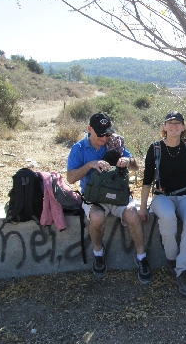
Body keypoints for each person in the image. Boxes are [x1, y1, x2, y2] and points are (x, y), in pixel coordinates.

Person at [67, 112, 151, 283]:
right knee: (96, 217)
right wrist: (90, 165)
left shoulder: (114, 142)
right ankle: (98, 253)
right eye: (101, 134)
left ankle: (141, 257)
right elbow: (70, 178)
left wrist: (128, 160)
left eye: (107, 133)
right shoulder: (79, 148)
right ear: (90, 129)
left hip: (118, 193)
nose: (104, 138)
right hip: (95, 197)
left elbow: (136, 167)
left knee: (132, 215)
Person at [139, 111, 186, 297]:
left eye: (178, 123)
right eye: (170, 123)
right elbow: (147, 180)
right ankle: (172, 259)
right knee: (167, 216)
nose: (174, 126)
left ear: (183, 127)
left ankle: (184, 271)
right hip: (162, 196)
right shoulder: (155, 148)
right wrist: (142, 208)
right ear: (164, 127)